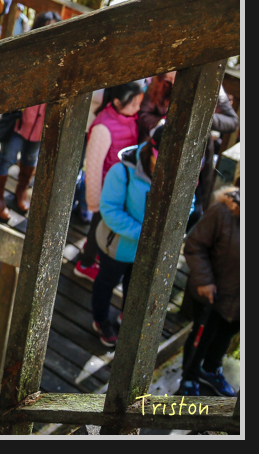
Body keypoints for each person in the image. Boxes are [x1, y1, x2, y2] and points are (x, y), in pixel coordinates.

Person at [89, 125, 164, 348]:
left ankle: (126, 316)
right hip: (118, 247)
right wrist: (146, 235)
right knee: (106, 283)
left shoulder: (176, 172)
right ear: (152, 150)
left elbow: (188, 202)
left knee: (136, 285)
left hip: (146, 250)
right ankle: (101, 320)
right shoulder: (121, 171)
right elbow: (110, 211)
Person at [0, 11, 61, 221]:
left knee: (31, 159)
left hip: (40, 126)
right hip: (20, 122)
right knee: (7, 157)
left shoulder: (59, 58)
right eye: (47, 26)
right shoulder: (26, 53)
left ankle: (21, 192)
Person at [139, 71, 239, 225]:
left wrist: (199, 116)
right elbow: (144, 115)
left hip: (196, 156)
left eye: (175, 78)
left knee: (192, 206)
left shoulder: (212, 85)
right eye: (168, 79)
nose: (172, 82)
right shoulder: (160, 81)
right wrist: (167, 123)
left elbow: (232, 122)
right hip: (158, 151)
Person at [72, 81, 144, 282]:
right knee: (97, 226)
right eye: (134, 104)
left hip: (118, 188)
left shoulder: (129, 118)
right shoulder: (103, 127)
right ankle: (85, 264)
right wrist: (94, 202)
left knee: (100, 228)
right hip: (105, 193)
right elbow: (93, 168)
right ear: (117, 102)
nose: (138, 108)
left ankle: (90, 250)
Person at [177, 185, 240, 397]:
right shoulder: (222, 212)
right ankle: (189, 378)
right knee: (200, 338)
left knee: (225, 336)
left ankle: (211, 369)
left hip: (239, 302)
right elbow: (194, 245)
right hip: (212, 294)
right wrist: (205, 281)